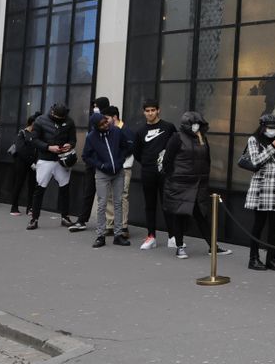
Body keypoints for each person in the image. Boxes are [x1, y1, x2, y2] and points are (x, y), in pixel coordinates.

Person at [162, 111, 230, 259]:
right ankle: (179, 247)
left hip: (198, 184)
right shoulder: (177, 138)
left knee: (201, 216)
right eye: (193, 124)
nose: (196, 126)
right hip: (181, 184)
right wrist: (174, 177)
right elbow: (167, 160)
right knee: (179, 215)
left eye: (198, 124)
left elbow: (207, 160)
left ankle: (213, 247)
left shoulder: (202, 138)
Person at [244, 114, 275, 271]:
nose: (273, 130)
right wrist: (272, 147)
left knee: (274, 226)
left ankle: (271, 258)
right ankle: (253, 258)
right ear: (263, 127)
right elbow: (255, 161)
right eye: (270, 128)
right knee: (259, 224)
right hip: (261, 187)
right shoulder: (254, 140)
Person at [83, 111, 134, 248]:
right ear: (96, 126)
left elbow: (126, 146)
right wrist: (100, 165)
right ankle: (100, 236)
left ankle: (118, 235)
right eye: (102, 124)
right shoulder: (91, 137)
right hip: (102, 174)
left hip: (118, 172)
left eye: (106, 121)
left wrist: (120, 160)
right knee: (102, 204)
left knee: (118, 202)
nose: (106, 125)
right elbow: (86, 156)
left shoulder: (116, 131)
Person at [132, 100, 177, 250]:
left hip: (165, 172)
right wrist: (148, 163)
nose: (150, 113)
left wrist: (167, 164)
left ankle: (173, 237)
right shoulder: (140, 131)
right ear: (144, 112)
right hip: (148, 172)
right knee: (150, 205)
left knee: (168, 204)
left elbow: (176, 146)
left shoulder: (168, 127)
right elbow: (137, 153)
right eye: (147, 110)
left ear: (158, 110)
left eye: (153, 110)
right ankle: (151, 236)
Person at [26, 104, 77, 230]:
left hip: (62, 159)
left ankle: (65, 217)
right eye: (57, 117)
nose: (59, 119)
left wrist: (69, 145)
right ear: (52, 112)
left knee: (65, 189)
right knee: (39, 189)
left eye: (62, 118)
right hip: (45, 158)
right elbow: (33, 140)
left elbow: (73, 140)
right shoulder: (40, 120)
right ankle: (34, 219)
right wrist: (48, 147)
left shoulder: (69, 121)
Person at [69, 97, 113, 232]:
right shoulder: (94, 122)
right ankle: (82, 220)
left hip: (104, 164)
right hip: (92, 163)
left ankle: (109, 224)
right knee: (88, 191)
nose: (94, 109)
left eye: (96, 106)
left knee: (107, 197)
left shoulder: (109, 122)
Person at [8, 113, 40, 216]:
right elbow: (20, 149)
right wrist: (31, 163)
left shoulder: (38, 134)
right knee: (19, 184)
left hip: (34, 164)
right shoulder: (22, 133)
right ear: (33, 123)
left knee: (32, 186)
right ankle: (14, 207)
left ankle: (30, 207)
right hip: (21, 162)